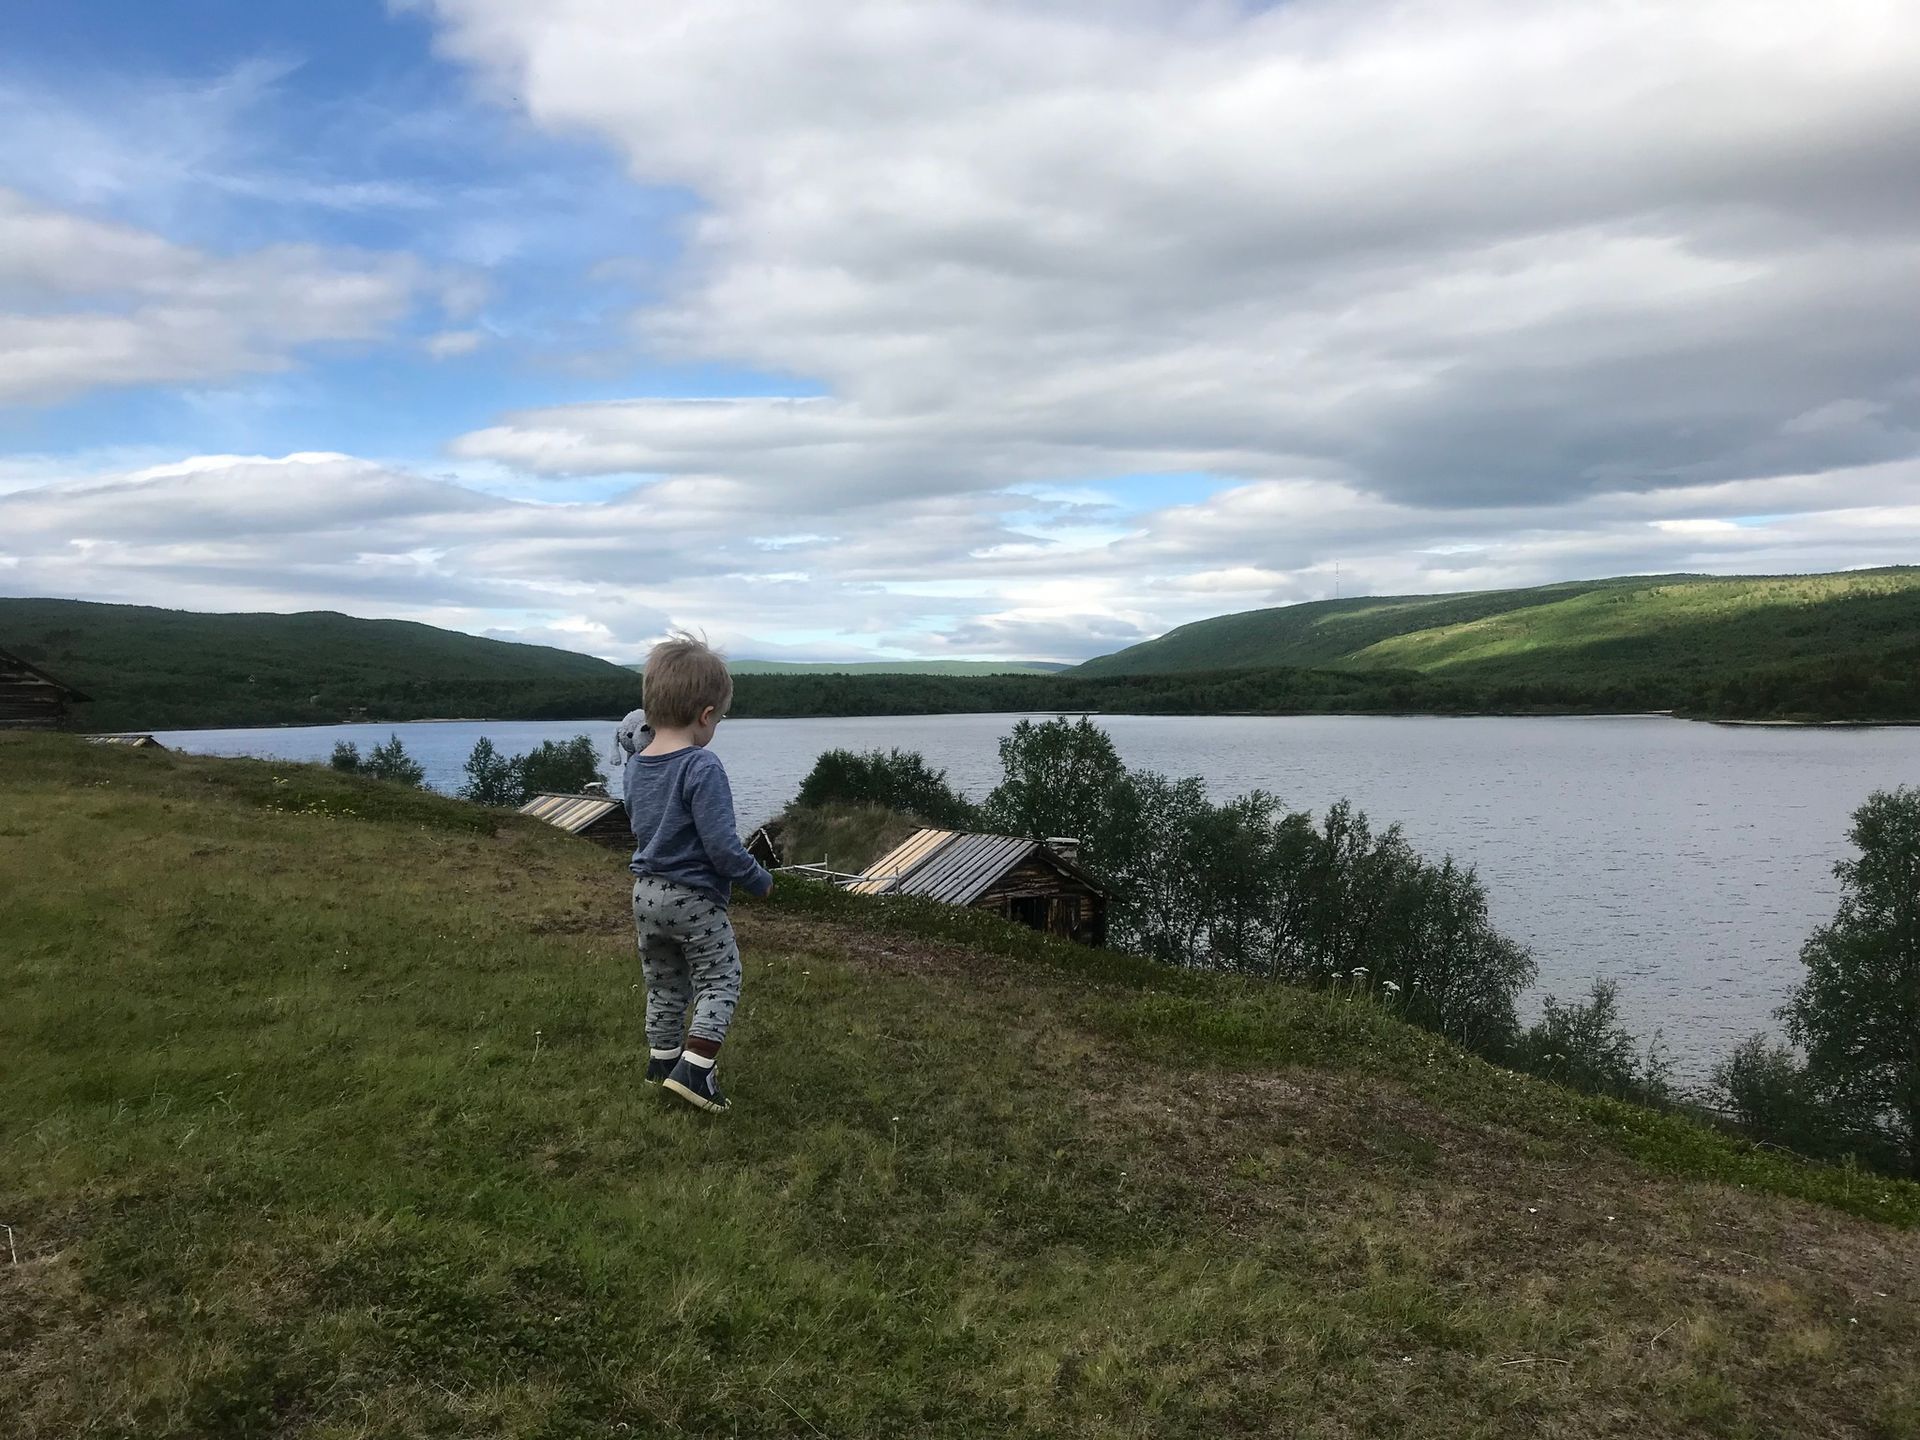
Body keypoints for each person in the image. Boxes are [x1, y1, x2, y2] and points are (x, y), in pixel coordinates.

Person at [623, 634, 772, 1113]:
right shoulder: (701, 766)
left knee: (665, 982)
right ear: (706, 715)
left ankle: (661, 1063)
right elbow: (723, 849)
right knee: (720, 978)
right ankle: (696, 1072)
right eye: (720, 718)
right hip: (692, 898)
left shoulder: (635, 765)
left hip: (644, 893)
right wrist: (758, 879)